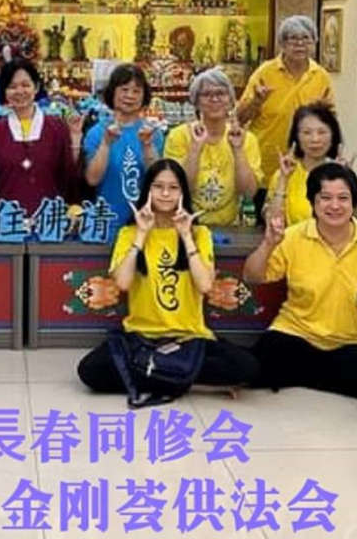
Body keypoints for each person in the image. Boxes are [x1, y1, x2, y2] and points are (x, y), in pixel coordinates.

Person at [77, 160, 260, 401]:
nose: (165, 194)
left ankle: (157, 373)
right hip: (140, 337)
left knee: (247, 366)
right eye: (158, 186)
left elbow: (205, 285)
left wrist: (186, 236)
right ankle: (184, 379)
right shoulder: (129, 233)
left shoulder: (199, 233)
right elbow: (122, 283)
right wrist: (141, 234)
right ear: (148, 190)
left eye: (173, 188)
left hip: (189, 337)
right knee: (90, 370)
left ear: (183, 192)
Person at [242, 163, 357, 401]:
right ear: (313, 202)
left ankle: (298, 375)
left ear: (354, 202)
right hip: (296, 336)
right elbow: (252, 276)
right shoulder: (293, 236)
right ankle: (322, 377)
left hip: (349, 345)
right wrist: (268, 244)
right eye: (326, 198)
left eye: (343, 198)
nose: (335, 206)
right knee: (262, 357)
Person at [0, 58, 82, 215]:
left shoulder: (56, 128)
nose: (19, 92)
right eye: (12, 87)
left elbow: (68, 175)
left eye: (26, 85)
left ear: (36, 87)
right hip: (6, 221)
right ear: (4, 91)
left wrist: (75, 137)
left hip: (48, 221)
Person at [237, 15, 335, 190]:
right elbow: (240, 118)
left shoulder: (321, 77)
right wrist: (256, 102)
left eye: (306, 38)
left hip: (306, 170)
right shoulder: (264, 73)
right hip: (267, 167)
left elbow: (330, 123)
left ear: (314, 42)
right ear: (282, 44)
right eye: (293, 39)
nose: (300, 44)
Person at [164, 68, 262, 226]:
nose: (214, 99)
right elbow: (180, 188)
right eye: (206, 94)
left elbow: (248, 192)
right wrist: (195, 148)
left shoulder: (246, 139)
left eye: (221, 93)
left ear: (231, 100)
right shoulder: (178, 136)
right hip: (184, 225)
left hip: (230, 228)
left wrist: (238, 150)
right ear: (196, 102)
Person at [83, 63, 164, 235]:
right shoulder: (96, 133)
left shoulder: (153, 134)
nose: (130, 96)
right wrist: (106, 144)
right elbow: (92, 179)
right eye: (124, 89)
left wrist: (147, 146)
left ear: (144, 96)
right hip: (105, 223)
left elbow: (159, 180)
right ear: (112, 92)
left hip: (145, 225)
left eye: (136, 91)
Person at [266, 103, 346, 227]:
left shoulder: (342, 173)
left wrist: (343, 178)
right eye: (307, 133)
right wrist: (283, 179)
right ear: (296, 137)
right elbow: (273, 223)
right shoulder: (283, 174)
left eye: (322, 132)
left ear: (333, 136)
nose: (315, 139)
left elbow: (354, 222)